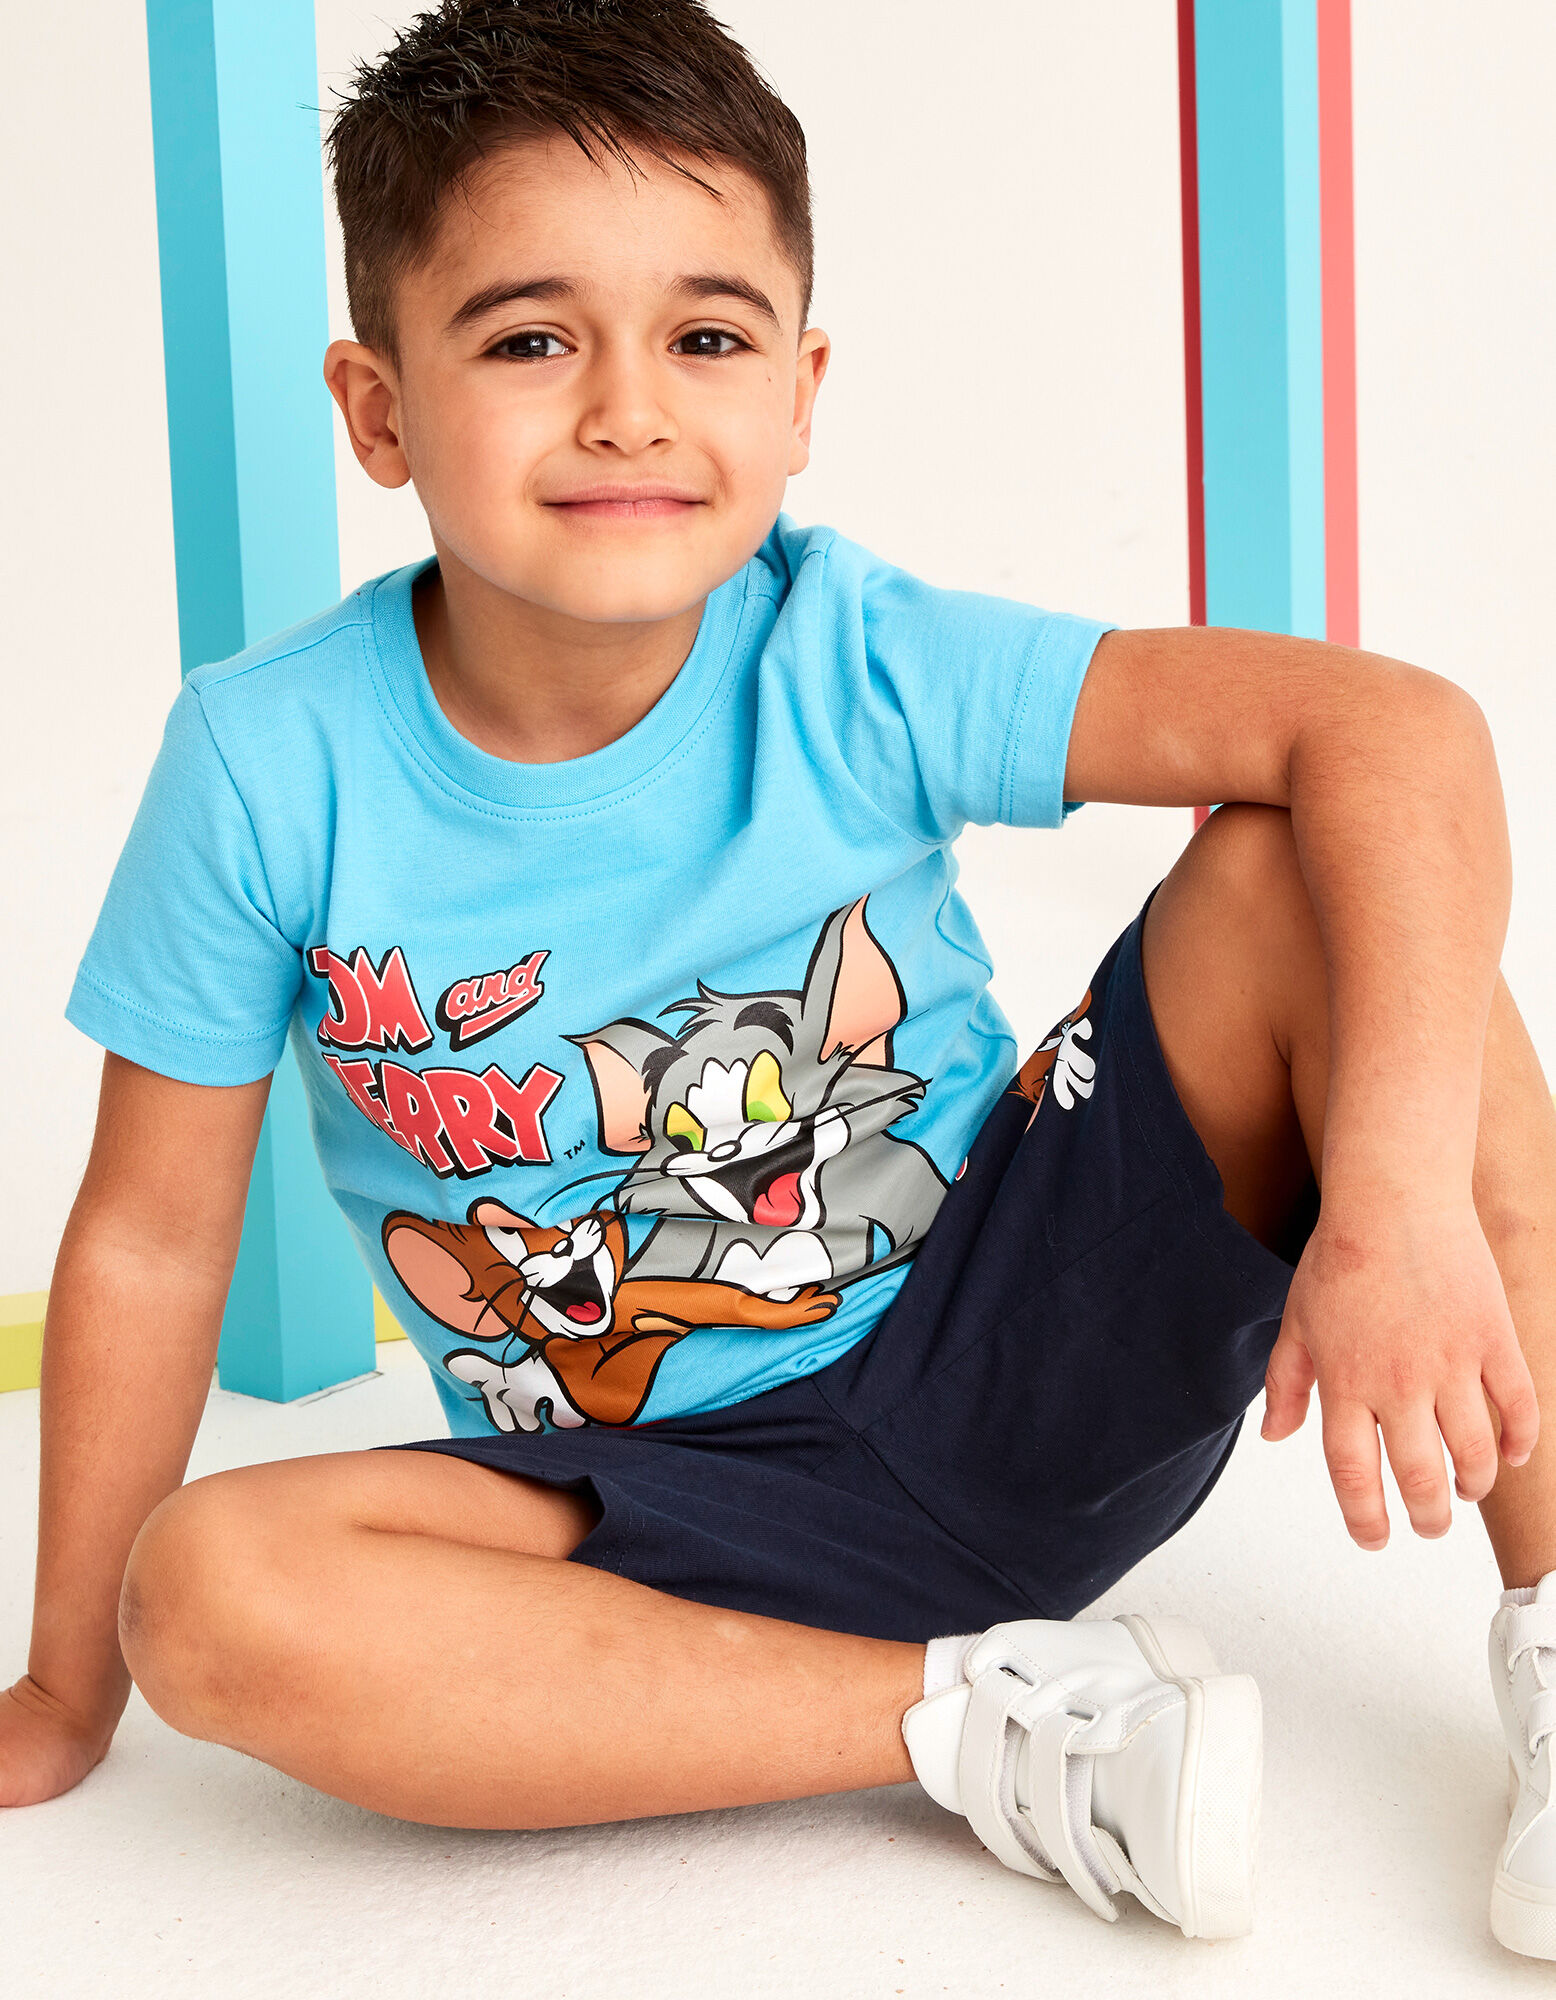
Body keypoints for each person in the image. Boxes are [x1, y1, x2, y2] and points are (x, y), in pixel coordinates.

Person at [5, 0, 1555, 1957]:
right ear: (379, 408)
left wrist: (1392, 1204)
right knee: (213, 1589)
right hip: (665, 1514)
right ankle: (994, 1727)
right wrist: (69, 1686)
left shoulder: (848, 652)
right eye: (530, 341)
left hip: (1029, 1335)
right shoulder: (265, 762)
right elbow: (152, 1239)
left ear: (802, 391)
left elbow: (1399, 732)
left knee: (1311, 866)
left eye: (707, 339)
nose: (628, 411)